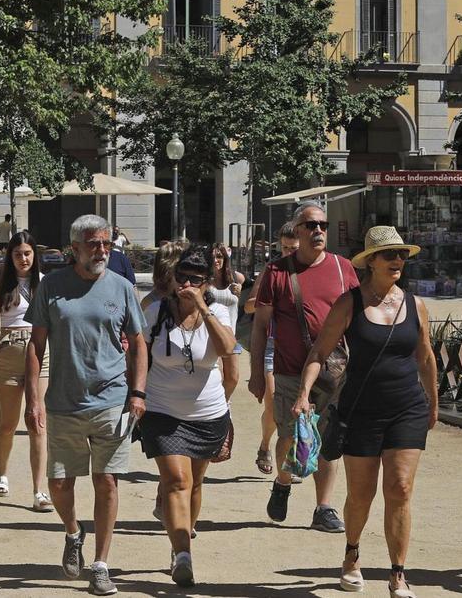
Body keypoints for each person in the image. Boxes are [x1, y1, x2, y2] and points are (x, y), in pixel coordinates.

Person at [291, 226, 439, 598]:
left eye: (402, 255)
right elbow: (319, 353)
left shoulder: (415, 304)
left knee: (401, 488)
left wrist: (433, 402)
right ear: (371, 261)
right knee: (361, 494)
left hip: (407, 407)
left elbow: (425, 357)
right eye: (390, 255)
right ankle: (352, 555)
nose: (397, 261)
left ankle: (397, 574)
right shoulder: (350, 303)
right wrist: (305, 392)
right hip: (361, 410)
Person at [24, 214, 148, 596]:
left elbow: (139, 343)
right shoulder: (53, 286)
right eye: (94, 244)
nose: (102, 250)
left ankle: (100, 564)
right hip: (63, 400)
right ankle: (73, 532)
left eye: (106, 243)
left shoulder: (122, 287)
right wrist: (33, 398)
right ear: (74, 248)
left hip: (111, 398)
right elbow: (35, 344)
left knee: (106, 480)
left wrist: (138, 392)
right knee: (59, 482)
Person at [251, 201, 360, 532]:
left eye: (323, 226)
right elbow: (260, 326)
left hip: (335, 372)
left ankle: (323, 507)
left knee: (328, 440)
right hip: (289, 371)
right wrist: (257, 372)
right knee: (289, 437)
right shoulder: (277, 272)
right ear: (296, 231)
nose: (318, 231)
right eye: (311, 225)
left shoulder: (343, 268)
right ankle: (283, 483)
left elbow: (358, 320)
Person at [140, 245, 238, 588]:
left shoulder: (219, 314)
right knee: (177, 481)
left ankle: (182, 539)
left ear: (207, 283)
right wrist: (134, 394)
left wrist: (202, 308)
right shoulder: (154, 312)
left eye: (195, 280)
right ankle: (183, 554)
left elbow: (227, 350)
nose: (186, 285)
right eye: (181, 278)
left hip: (207, 413)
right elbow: (136, 354)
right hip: (162, 410)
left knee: (195, 482)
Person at [0, 230, 53, 512]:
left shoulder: (45, 284)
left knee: (37, 421)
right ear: (10, 256)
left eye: (28, 253)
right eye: (18, 253)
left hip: (40, 353)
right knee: (8, 423)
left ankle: (39, 489)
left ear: (35, 255)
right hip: (9, 349)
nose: (23, 259)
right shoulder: (1, 284)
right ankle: (2, 474)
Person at [245, 223, 298, 476]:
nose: (288, 253)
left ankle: (290, 454)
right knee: (274, 405)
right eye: (285, 248)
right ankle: (266, 445)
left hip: (301, 349)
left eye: (293, 248)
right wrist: (273, 300)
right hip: (272, 346)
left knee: (297, 408)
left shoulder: (313, 271)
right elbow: (249, 307)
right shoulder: (271, 270)